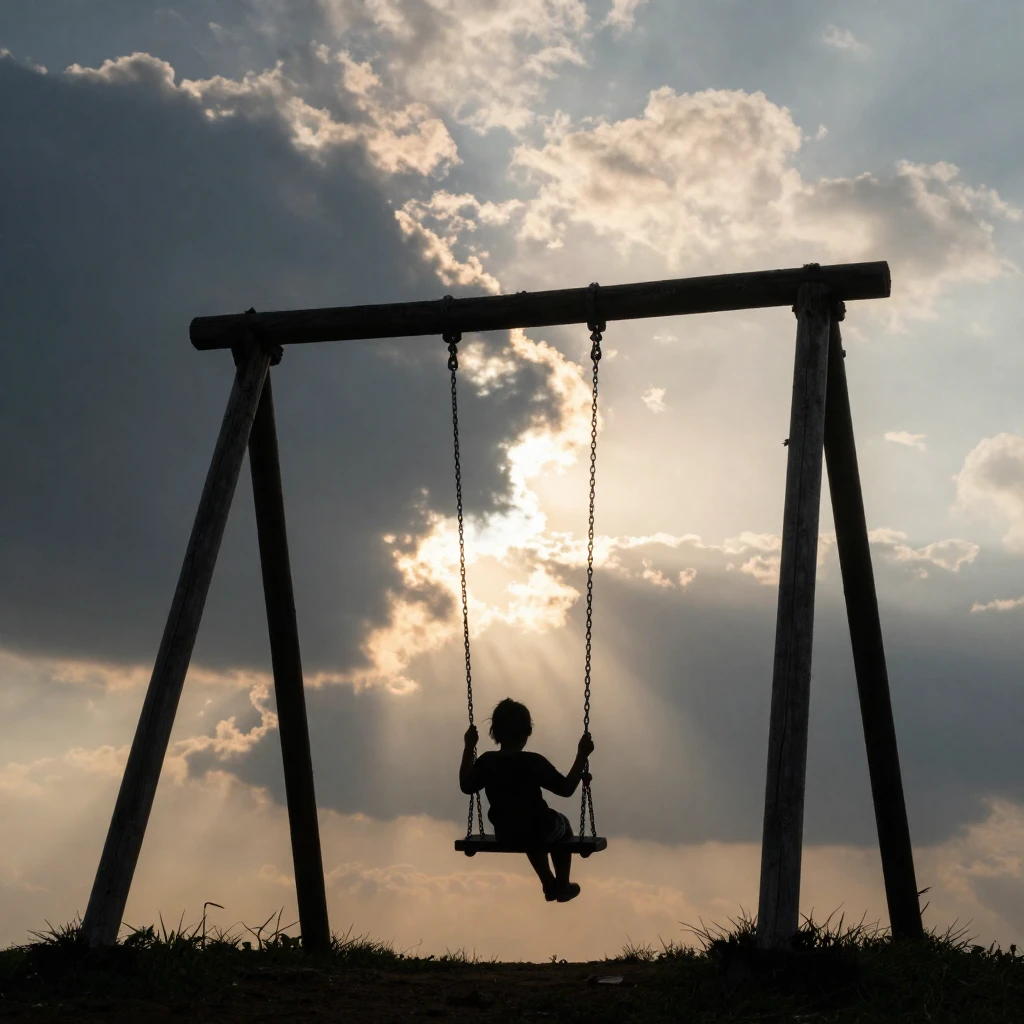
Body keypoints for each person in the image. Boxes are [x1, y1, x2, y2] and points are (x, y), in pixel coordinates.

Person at [459, 697, 595, 903]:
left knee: (529, 832)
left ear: (494, 733)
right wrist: (581, 756)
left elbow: (466, 786)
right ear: (528, 731)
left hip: (506, 832)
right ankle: (563, 884)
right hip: (537, 829)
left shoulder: (487, 761)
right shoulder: (532, 762)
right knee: (560, 825)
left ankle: (549, 882)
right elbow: (566, 789)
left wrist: (469, 747)